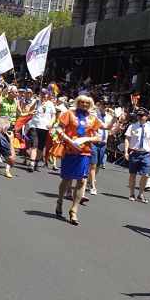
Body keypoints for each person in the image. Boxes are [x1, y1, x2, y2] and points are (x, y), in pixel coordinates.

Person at [49, 95, 104, 226]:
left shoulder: (92, 118)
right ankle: (60, 201)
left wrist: (87, 139)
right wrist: (69, 140)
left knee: (82, 180)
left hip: (84, 152)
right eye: (82, 102)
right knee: (67, 179)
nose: (84, 104)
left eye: (87, 103)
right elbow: (58, 128)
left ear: (90, 105)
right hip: (69, 150)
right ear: (77, 102)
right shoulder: (69, 114)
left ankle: (74, 210)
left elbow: (98, 136)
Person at [124, 109, 150, 203]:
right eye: (138, 115)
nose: (140, 117)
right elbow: (127, 139)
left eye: (142, 115)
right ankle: (132, 194)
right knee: (132, 174)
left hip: (145, 154)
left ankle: (140, 194)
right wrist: (126, 152)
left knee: (146, 174)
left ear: (146, 117)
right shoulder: (132, 126)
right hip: (134, 153)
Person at [27, 89, 56, 172]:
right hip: (35, 126)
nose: (44, 96)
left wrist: (51, 123)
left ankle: (36, 162)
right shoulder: (36, 102)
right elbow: (29, 111)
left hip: (45, 128)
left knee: (40, 146)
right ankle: (32, 163)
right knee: (34, 145)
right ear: (40, 94)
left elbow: (53, 116)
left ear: (48, 95)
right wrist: (33, 107)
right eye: (42, 94)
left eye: (45, 94)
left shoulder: (50, 104)